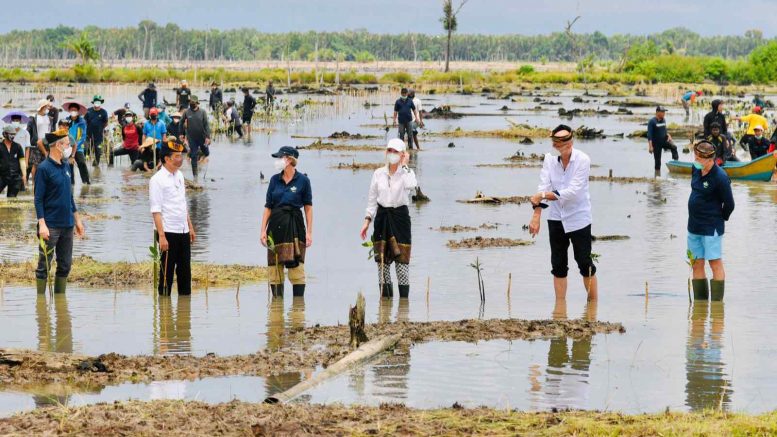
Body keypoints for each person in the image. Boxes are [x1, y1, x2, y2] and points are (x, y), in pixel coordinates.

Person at [528, 124, 597, 302]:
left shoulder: (583, 160)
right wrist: (536, 216)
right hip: (556, 218)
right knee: (558, 265)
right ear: (554, 144)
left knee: (584, 263)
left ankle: (593, 308)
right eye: (558, 142)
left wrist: (543, 195)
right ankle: (560, 310)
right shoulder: (549, 161)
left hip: (579, 218)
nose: (562, 145)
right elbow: (542, 186)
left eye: (565, 140)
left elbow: (573, 191)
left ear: (571, 140)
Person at [360, 138, 417, 298]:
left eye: (396, 152)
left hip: (400, 218)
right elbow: (372, 200)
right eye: (390, 151)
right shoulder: (378, 174)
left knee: (402, 265)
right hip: (382, 219)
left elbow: (412, 185)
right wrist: (367, 221)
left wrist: (405, 165)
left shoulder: (407, 173)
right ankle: (385, 307)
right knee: (382, 264)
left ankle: (403, 309)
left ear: (402, 154)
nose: (392, 154)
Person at [34, 129, 86, 294]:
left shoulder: (66, 166)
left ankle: (60, 302)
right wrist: (42, 224)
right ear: (57, 146)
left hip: (67, 225)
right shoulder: (44, 169)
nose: (69, 147)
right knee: (44, 265)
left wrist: (77, 220)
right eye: (67, 144)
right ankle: (41, 304)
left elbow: (69, 197)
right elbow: (38, 199)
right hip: (50, 225)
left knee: (65, 265)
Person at [260, 146, 313, 298]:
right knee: (275, 268)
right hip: (275, 228)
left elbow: (308, 208)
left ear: (289, 160)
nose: (277, 161)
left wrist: (309, 232)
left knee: (297, 269)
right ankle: (276, 311)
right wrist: (263, 230)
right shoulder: (274, 180)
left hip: (295, 227)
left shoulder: (303, 181)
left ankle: (298, 311)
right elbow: (268, 207)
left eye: (280, 158)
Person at [687, 141, 734, 302]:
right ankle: (700, 308)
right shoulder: (695, 168)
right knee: (696, 263)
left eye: (700, 158)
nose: (696, 160)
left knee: (714, 263)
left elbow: (729, 204)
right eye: (696, 156)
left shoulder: (720, 177)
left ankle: (717, 308)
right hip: (693, 226)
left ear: (710, 159)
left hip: (711, 227)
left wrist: (719, 219)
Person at [149, 138, 196, 295]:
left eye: (180, 155)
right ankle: (165, 314)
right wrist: (161, 236)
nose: (180, 159)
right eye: (176, 156)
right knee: (166, 276)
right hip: (167, 232)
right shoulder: (157, 180)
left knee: (185, 273)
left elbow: (182, 203)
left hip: (182, 230)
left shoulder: (180, 176)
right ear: (167, 159)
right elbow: (156, 211)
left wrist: (190, 227)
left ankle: (184, 314)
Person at [181, 95, 210, 178]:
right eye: (190, 103)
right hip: (192, 137)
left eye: (193, 103)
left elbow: (206, 125)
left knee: (206, 152)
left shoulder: (202, 112)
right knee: (193, 155)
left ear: (197, 103)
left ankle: (199, 157)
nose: (191, 104)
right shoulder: (186, 112)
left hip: (202, 136)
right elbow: (181, 122)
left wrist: (207, 137)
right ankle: (195, 176)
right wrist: (181, 134)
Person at [27, 99, 53, 186]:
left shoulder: (49, 118)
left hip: (47, 143)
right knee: (35, 164)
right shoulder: (34, 118)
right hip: (36, 143)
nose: (47, 108)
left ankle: (45, 181)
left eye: (48, 106)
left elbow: (51, 130)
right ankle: (34, 182)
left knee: (47, 163)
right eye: (46, 106)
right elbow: (28, 131)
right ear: (42, 107)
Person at [647, 106, 679, 173]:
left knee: (674, 147)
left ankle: (676, 164)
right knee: (658, 161)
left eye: (664, 112)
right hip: (656, 144)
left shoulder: (664, 120)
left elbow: (664, 130)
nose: (664, 113)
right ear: (657, 112)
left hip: (664, 141)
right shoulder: (652, 122)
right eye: (662, 112)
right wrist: (650, 146)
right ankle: (657, 176)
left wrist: (668, 135)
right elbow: (649, 135)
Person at [66, 103, 89, 185]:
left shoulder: (82, 122)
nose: (73, 112)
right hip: (68, 147)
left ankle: (86, 182)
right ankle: (71, 183)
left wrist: (75, 147)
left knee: (82, 163)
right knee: (69, 166)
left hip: (78, 147)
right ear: (69, 111)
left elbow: (83, 136)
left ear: (78, 112)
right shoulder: (66, 121)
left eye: (75, 110)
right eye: (72, 110)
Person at [0, 125, 25, 197]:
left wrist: (24, 175)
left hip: (15, 177)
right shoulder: (0, 146)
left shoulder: (18, 146)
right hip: (2, 176)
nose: (13, 136)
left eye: (14, 134)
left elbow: (22, 161)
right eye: (11, 134)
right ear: (5, 134)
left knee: (12, 198)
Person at [84, 95, 108, 166]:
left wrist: (101, 128)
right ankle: (84, 165)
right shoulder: (88, 111)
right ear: (93, 102)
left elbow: (106, 122)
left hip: (98, 136)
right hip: (88, 134)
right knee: (86, 149)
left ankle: (96, 164)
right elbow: (85, 121)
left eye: (98, 101)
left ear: (101, 102)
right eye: (96, 101)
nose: (97, 103)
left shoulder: (104, 112)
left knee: (98, 151)